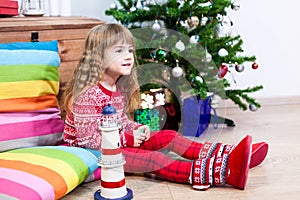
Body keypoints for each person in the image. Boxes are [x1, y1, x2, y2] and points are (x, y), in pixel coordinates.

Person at [62, 24, 268, 190]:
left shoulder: (116, 87)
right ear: (98, 57)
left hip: (114, 144)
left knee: (168, 136)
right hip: (95, 154)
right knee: (154, 160)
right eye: (119, 51)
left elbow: (119, 121)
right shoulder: (87, 95)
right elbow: (89, 141)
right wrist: (128, 139)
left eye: (130, 50)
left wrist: (135, 128)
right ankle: (220, 172)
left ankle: (230, 154)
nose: (128, 56)